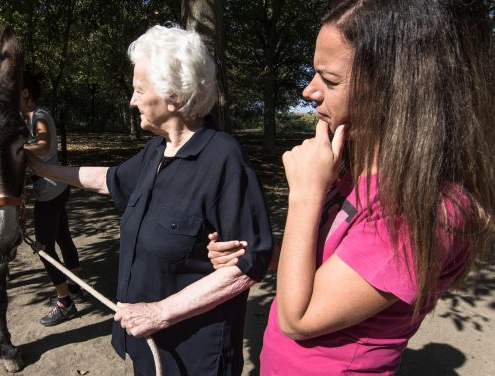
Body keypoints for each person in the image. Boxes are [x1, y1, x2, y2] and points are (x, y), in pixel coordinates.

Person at [207, 0, 494, 374]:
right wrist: (259, 252)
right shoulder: (350, 166)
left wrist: (305, 194)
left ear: (400, 90)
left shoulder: (423, 209)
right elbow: (323, 265)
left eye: (330, 80)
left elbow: (299, 318)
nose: (310, 91)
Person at [26, 25, 273, 375]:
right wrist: (39, 166)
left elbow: (248, 264)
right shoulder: (157, 151)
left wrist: (159, 313)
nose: (131, 100)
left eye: (139, 90)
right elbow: (108, 180)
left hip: (195, 357)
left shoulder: (223, 159)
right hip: (148, 344)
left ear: (172, 94)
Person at [21, 71, 86, 327]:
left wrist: (15, 149)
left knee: (45, 249)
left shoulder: (38, 117)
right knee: (63, 237)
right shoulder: (28, 118)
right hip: (56, 188)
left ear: (26, 94)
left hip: (49, 192)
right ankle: (75, 286)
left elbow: (44, 146)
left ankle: (64, 302)